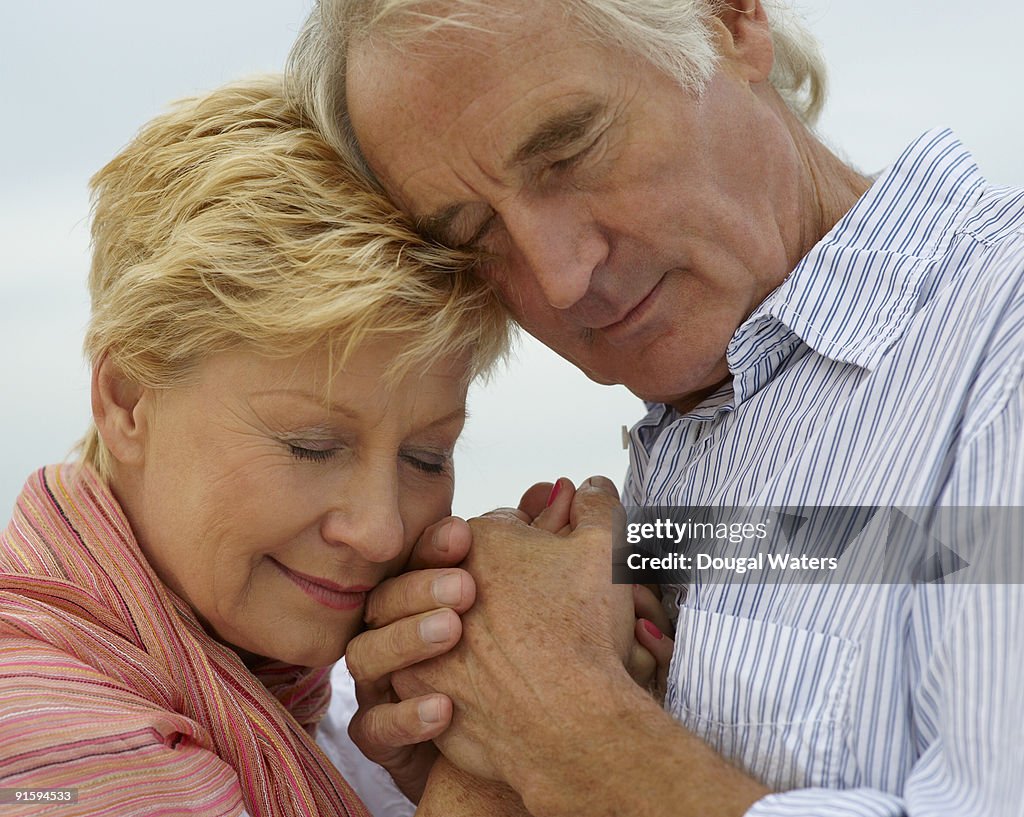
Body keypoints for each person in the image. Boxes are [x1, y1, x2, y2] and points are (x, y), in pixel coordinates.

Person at [286, 0, 1024, 814]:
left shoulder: (1002, 336)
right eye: (473, 232)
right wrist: (486, 765)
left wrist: (565, 731)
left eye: (569, 150)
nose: (561, 276)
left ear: (731, 22)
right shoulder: (692, 452)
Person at [0, 74, 513, 816]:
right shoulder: (58, 749)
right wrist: (492, 783)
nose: (382, 530)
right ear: (127, 399)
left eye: (427, 457)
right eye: (311, 446)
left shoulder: (312, 705)